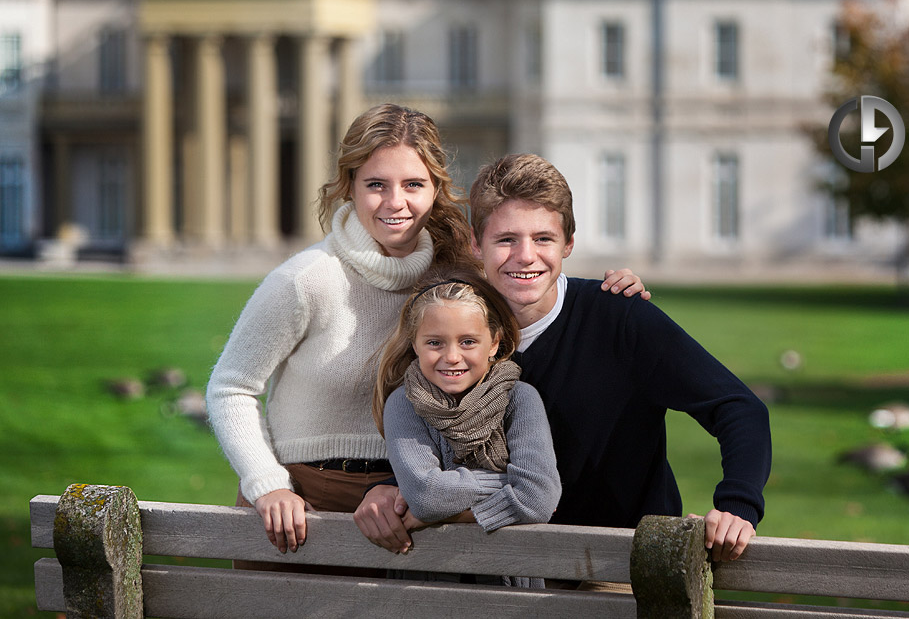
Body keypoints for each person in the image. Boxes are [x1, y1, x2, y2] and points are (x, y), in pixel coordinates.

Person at [205, 104, 645, 560]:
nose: (396, 202)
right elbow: (231, 386)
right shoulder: (306, 280)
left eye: (413, 184)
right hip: (301, 507)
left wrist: (608, 293)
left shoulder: (458, 278)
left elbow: (530, 284)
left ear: (436, 188)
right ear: (348, 187)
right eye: (376, 184)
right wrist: (267, 485)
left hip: (415, 502)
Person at [468, 153, 771, 563]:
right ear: (475, 243)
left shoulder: (619, 316)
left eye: (543, 239)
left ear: (568, 244)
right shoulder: (455, 332)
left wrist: (738, 504)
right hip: (505, 566)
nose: (526, 256)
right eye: (506, 240)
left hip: (625, 567)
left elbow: (737, 407)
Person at [373, 268, 560, 585]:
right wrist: (508, 483)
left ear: (493, 343)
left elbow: (539, 498)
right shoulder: (404, 404)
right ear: (415, 345)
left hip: (510, 581)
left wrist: (455, 511)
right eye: (435, 342)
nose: (452, 356)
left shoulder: (519, 399)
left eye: (468, 341)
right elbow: (426, 496)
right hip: (427, 582)